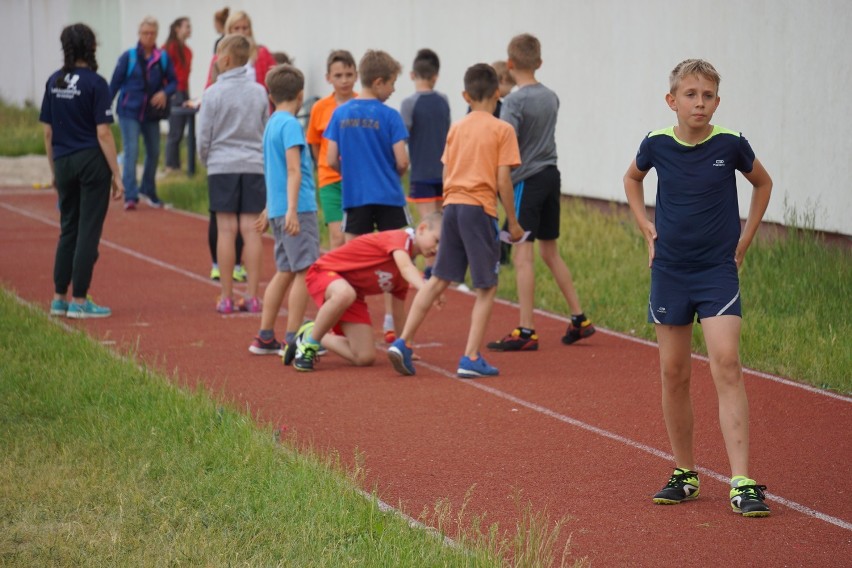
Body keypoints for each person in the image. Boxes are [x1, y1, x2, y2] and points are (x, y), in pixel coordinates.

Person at [623, 59, 773, 517]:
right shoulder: (655, 144)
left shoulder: (731, 143)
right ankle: (685, 473)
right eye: (690, 95)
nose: (699, 103)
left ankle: (743, 481)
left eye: (707, 96)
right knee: (674, 372)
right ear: (673, 101)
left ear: (717, 102)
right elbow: (632, 178)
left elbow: (762, 183)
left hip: (716, 272)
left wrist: (745, 239)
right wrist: (645, 226)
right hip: (670, 270)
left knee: (726, 361)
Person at [388, 63, 524, 378]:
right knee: (486, 287)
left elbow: (447, 171)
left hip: (452, 207)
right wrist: (513, 223)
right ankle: (471, 357)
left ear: (465, 94)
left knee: (437, 280)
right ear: (496, 94)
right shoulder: (503, 129)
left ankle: (403, 341)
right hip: (479, 209)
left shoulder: (457, 128)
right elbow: (504, 181)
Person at [487, 33, 595, 353]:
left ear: (509, 64)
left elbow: (504, 144)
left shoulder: (514, 103)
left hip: (527, 181)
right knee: (549, 251)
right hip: (551, 176)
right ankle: (579, 318)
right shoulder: (551, 96)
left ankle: (526, 330)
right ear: (540, 62)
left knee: (522, 255)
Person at [324, 49, 410, 344]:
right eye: (392, 83)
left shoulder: (340, 112)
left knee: (351, 264)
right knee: (398, 264)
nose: (394, 89)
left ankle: (350, 327)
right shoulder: (390, 116)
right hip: (388, 196)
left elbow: (331, 158)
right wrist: (389, 173)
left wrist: (350, 173)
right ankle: (397, 332)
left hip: (355, 197)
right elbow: (402, 161)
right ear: (378, 81)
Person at [41, 23, 124, 318]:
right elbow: (103, 133)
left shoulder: (54, 81)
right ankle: (79, 300)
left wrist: (54, 169)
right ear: (91, 47)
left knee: (69, 229)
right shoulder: (95, 83)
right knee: (88, 230)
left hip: (63, 160)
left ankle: (59, 297)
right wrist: (117, 172)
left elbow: (48, 132)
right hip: (91, 161)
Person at [291, 213, 442, 372]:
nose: (437, 248)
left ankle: (310, 332)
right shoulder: (399, 238)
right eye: (437, 240)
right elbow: (406, 268)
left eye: (442, 246)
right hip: (324, 272)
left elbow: (399, 314)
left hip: (352, 295)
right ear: (422, 229)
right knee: (344, 293)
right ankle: (309, 347)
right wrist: (429, 290)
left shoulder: (403, 274)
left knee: (364, 357)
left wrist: (404, 344)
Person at [248, 64, 321, 358]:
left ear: (270, 94)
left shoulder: (272, 124)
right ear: (300, 94)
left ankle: (266, 336)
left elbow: (272, 171)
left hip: (279, 208)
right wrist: (291, 209)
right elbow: (292, 170)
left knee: (285, 270)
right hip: (296, 209)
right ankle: (293, 338)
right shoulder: (291, 125)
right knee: (305, 270)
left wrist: (270, 209)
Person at [198, 34, 269, 314]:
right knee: (252, 232)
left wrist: (207, 159)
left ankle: (226, 297)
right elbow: (264, 130)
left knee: (226, 230)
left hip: (222, 166)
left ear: (225, 59)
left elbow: (204, 135)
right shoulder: (259, 91)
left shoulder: (212, 93)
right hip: (253, 165)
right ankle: (252, 297)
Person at [109, 16, 177, 211]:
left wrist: (165, 92)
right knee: (131, 152)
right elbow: (114, 84)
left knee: (154, 152)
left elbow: (173, 81)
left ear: (156, 34)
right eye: (145, 33)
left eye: (152, 33)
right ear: (139, 34)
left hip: (151, 114)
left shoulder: (162, 57)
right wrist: (104, 109)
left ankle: (148, 188)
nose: (148, 36)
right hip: (129, 111)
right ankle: (130, 195)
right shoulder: (128, 57)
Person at [399, 48, 451, 279]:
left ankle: (430, 271)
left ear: (412, 75)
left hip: (420, 172)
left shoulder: (409, 103)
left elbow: (403, 136)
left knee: (427, 225)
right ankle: (439, 270)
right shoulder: (443, 101)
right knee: (440, 223)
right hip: (443, 172)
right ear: (435, 76)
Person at [306, 50, 358, 251]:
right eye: (338, 76)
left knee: (355, 236)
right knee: (337, 236)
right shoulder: (320, 108)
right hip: (330, 180)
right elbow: (315, 143)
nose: (344, 80)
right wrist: (326, 165)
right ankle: (335, 280)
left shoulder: (363, 103)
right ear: (328, 78)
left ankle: (354, 278)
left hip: (357, 179)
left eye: (348, 75)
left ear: (356, 75)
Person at [162, 17, 193, 174]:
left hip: (184, 92)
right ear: (177, 29)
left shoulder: (187, 51)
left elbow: (185, 75)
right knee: (175, 130)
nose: (189, 29)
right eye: (186, 26)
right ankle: (169, 166)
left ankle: (177, 166)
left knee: (182, 130)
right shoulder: (169, 49)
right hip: (173, 92)